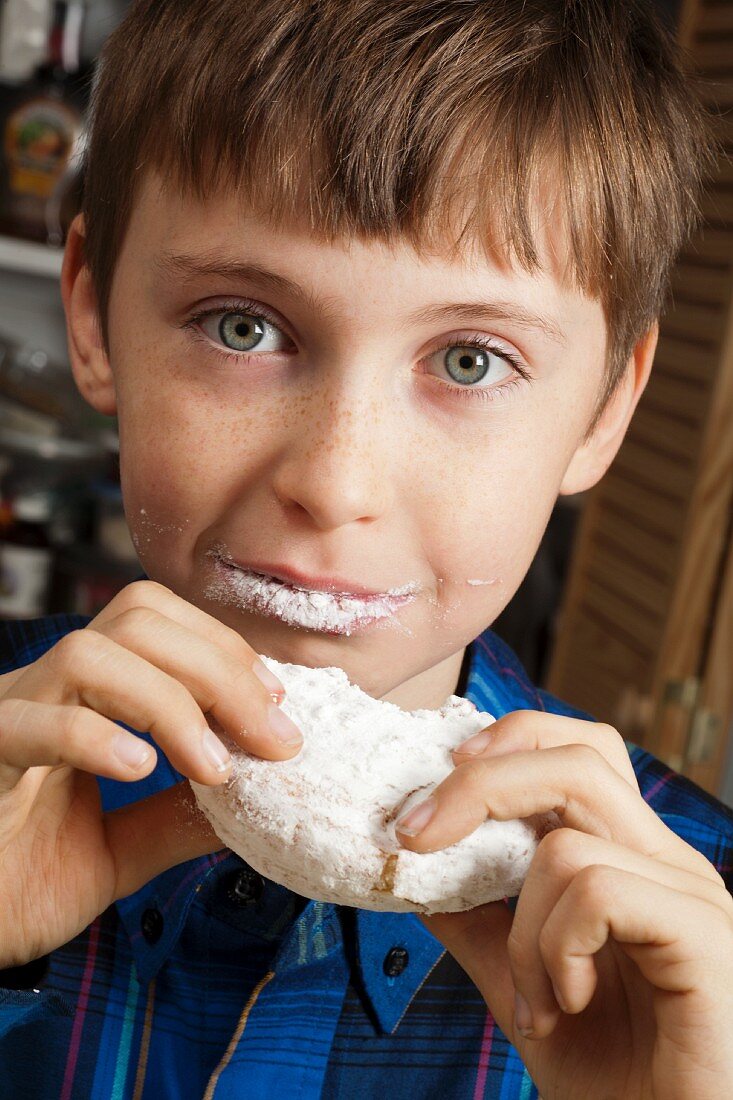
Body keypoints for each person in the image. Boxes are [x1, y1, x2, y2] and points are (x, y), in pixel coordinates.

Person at [1, 0, 731, 1096]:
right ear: (98, 316)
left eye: (472, 361)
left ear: (601, 411)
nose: (335, 484)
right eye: (242, 325)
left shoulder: (693, 954)